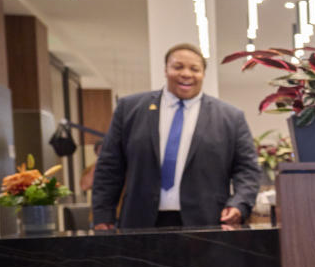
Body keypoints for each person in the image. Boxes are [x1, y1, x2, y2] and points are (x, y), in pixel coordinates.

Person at [92, 43, 262, 229]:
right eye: (178, 67)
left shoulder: (230, 117)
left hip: (207, 224)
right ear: (166, 70)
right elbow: (109, 166)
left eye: (194, 69)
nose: (186, 74)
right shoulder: (129, 109)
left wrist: (239, 204)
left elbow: (247, 169)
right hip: (140, 222)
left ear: (203, 74)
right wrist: (103, 214)